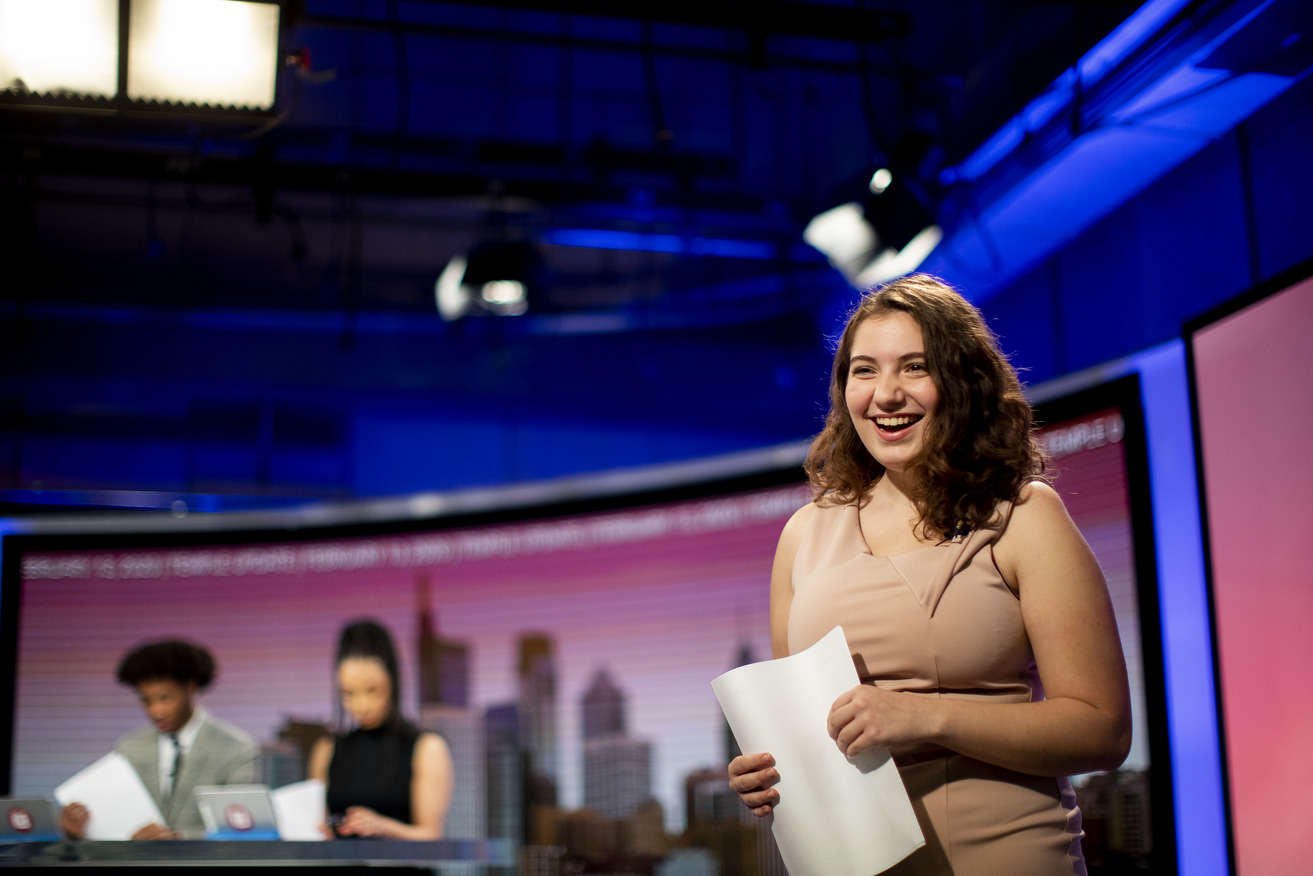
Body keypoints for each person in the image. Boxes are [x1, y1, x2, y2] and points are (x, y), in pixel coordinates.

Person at [727, 274, 1131, 875]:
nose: (886, 394)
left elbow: (1103, 730)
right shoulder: (803, 534)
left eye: (914, 367)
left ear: (963, 382)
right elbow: (802, 731)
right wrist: (767, 772)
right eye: (864, 371)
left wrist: (923, 716)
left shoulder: (1024, 516)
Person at [58, 640, 257, 840]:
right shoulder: (130, 747)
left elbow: (240, 830)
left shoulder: (235, 749)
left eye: (164, 698)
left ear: (190, 688)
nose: (155, 711)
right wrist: (80, 831)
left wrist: (178, 839)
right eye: (146, 700)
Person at [308, 619, 454, 840]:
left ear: (392, 682)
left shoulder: (426, 748)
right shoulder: (326, 750)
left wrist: (385, 827)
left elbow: (431, 836)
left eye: (372, 690)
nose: (361, 705)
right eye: (349, 693)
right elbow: (320, 827)